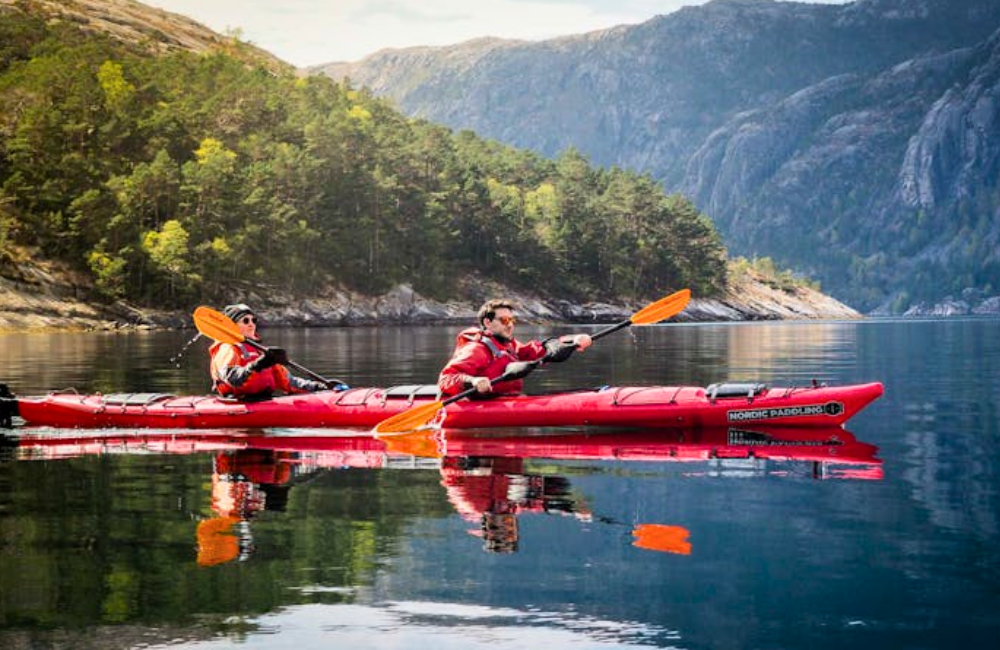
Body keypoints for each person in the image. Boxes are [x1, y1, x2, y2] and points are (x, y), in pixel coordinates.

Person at [437, 299, 592, 397]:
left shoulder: (510, 346)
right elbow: (445, 379)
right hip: (480, 403)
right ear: (487, 323)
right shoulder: (476, 349)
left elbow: (537, 350)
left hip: (507, 398)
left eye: (512, 320)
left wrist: (573, 341)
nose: (510, 325)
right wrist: (473, 381)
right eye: (504, 320)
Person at [209, 303, 332, 400]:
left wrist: (321, 387)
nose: (251, 324)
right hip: (237, 402)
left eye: (254, 320)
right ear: (232, 326)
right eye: (245, 321)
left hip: (263, 400)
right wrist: (258, 365)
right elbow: (232, 378)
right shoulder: (227, 348)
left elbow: (288, 382)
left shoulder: (260, 352)